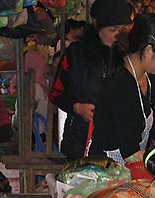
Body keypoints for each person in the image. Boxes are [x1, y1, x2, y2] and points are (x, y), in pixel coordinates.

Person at [90, 13, 155, 164]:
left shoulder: (147, 78)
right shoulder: (121, 86)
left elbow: (152, 123)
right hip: (108, 169)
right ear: (148, 50)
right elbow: (130, 154)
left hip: (131, 163)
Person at [49, 0, 131, 160]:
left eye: (124, 29)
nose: (118, 35)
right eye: (112, 30)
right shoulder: (75, 54)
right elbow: (55, 94)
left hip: (123, 142)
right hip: (81, 141)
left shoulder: (131, 54)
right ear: (96, 24)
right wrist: (77, 107)